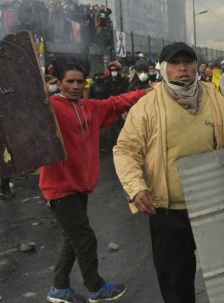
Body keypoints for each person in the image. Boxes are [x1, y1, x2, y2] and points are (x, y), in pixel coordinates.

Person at [114, 42, 224, 302]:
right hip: (167, 212)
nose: (183, 68)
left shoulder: (215, 100)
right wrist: (136, 188)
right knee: (175, 283)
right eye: (175, 63)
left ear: (195, 66)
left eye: (188, 62)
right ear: (163, 68)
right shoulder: (146, 107)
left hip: (211, 207)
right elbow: (125, 150)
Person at [41, 63, 149, 303]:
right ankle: (96, 287)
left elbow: (115, 103)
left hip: (80, 185)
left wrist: (146, 92)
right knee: (85, 238)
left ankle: (59, 288)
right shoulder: (50, 109)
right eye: (70, 81)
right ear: (59, 84)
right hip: (59, 187)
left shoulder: (88, 107)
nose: (76, 86)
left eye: (80, 82)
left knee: (74, 237)